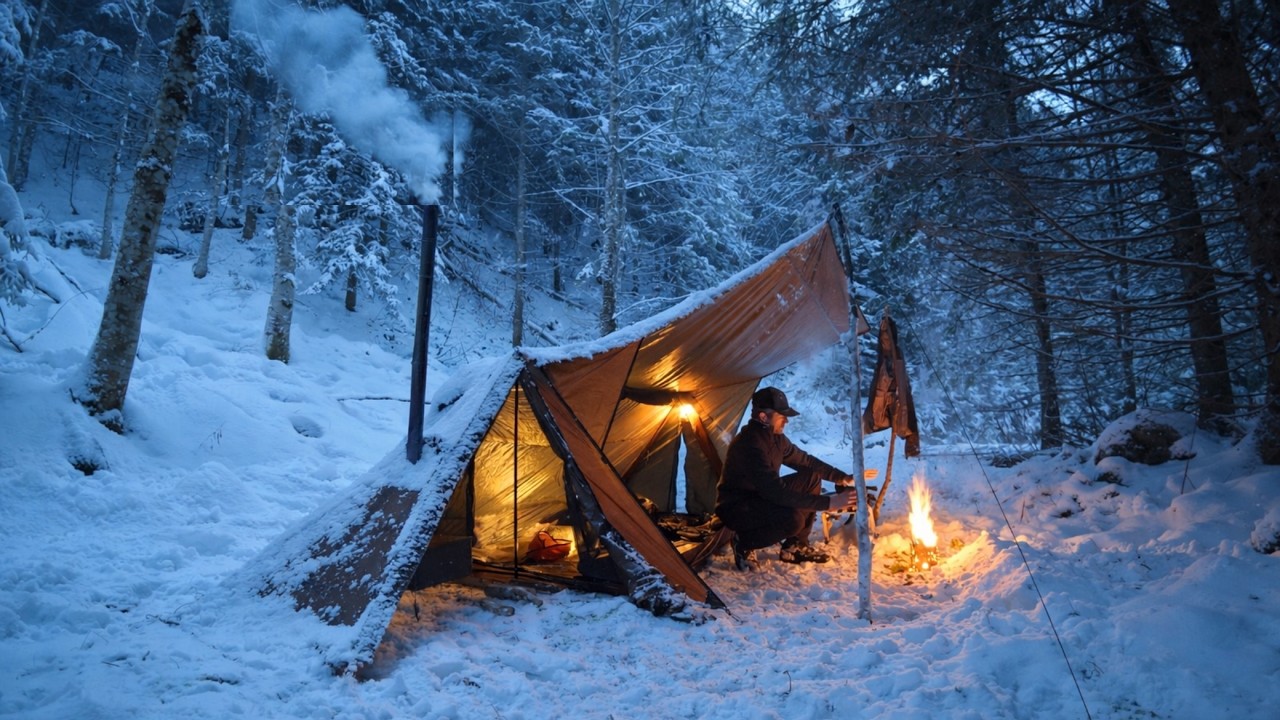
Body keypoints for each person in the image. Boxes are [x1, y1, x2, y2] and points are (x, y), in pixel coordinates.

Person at [715, 386, 857, 570]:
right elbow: (776, 492)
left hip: (760, 497)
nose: (786, 421)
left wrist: (842, 478)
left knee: (811, 477)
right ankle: (744, 541)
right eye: (781, 415)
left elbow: (805, 461)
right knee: (793, 520)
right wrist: (829, 503)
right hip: (738, 507)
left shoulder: (776, 439)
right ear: (763, 417)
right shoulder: (750, 445)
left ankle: (795, 546)